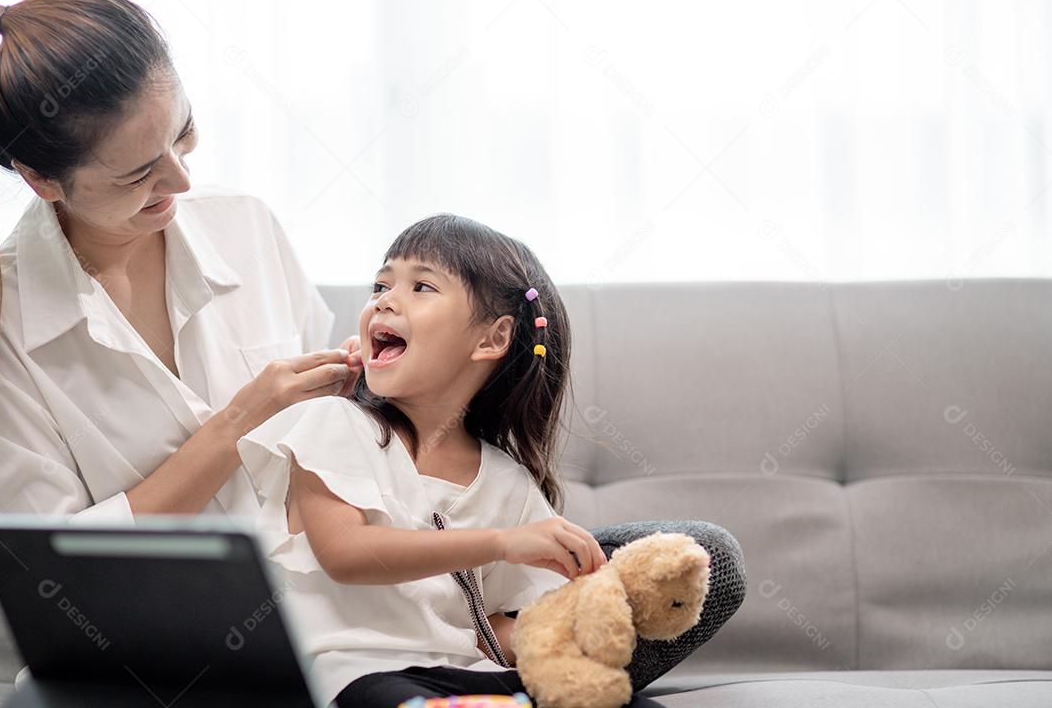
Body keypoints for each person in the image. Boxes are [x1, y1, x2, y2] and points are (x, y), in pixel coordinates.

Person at [239, 214, 746, 708]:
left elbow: (488, 630)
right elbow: (345, 554)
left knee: (654, 645)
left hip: (470, 675)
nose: (384, 301)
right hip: (356, 674)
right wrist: (502, 542)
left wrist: (578, 621)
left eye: (422, 286)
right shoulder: (334, 423)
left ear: (492, 339)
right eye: (381, 285)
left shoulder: (507, 482)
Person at [0, 0, 362, 522]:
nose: (181, 180)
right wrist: (238, 422)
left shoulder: (246, 224)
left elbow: (325, 434)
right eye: (138, 175)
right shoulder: (2, 324)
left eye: (183, 131)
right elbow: (51, 554)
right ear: (41, 179)